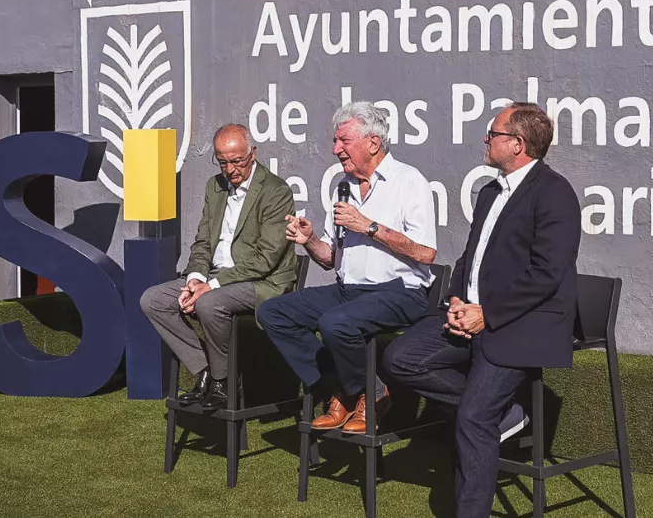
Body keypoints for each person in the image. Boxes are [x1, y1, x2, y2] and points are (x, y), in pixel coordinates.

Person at [381, 103, 581, 517]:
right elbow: (470, 258)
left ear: (518, 144)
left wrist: (486, 313)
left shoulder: (554, 193)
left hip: (520, 324)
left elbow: (546, 274)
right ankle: (505, 412)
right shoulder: (491, 191)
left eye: (493, 134)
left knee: (473, 418)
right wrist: (456, 298)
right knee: (400, 358)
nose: (486, 140)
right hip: (470, 315)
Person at [256, 101, 437, 435]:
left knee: (334, 323)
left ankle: (367, 393)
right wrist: (309, 240)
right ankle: (348, 387)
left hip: (399, 291)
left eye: (344, 141)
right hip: (349, 290)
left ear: (373, 142)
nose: (336, 148)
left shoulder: (409, 181)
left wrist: (369, 226)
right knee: (273, 313)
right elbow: (330, 258)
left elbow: (425, 253)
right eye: (336, 141)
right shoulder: (343, 185)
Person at [140, 124, 298, 410]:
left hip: (263, 282)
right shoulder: (214, 187)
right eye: (223, 162)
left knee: (209, 304)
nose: (231, 169)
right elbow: (203, 242)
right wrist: (195, 279)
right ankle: (205, 372)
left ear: (253, 154)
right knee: (153, 300)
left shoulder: (276, 190)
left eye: (237, 161)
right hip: (215, 278)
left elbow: (266, 260)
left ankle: (223, 384)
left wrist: (208, 287)